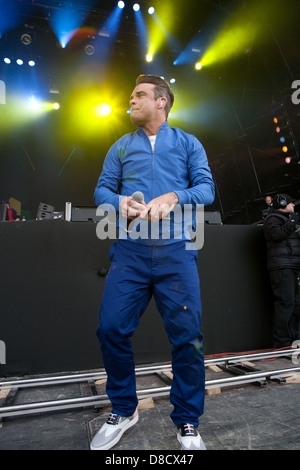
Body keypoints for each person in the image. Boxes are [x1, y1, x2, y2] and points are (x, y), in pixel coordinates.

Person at [91, 74, 215, 451]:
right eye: (131, 95)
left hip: (177, 251)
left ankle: (188, 420)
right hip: (129, 251)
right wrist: (120, 203)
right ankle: (125, 410)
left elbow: (207, 189)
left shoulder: (188, 143)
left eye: (140, 95)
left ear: (162, 102)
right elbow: (101, 189)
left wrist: (174, 197)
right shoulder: (121, 146)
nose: (132, 100)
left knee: (188, 338)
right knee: (111, 329)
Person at [264, 193, 300, 349]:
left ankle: (294, 339)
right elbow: (277, 235)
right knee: (285, 303)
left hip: (292, 266)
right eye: (291, 203)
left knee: (295, 304)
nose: (293, 206)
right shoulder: (272, 219)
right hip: (281, 266)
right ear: (284, 203)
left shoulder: (287, 220)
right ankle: (282, 343)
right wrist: (292, 222)